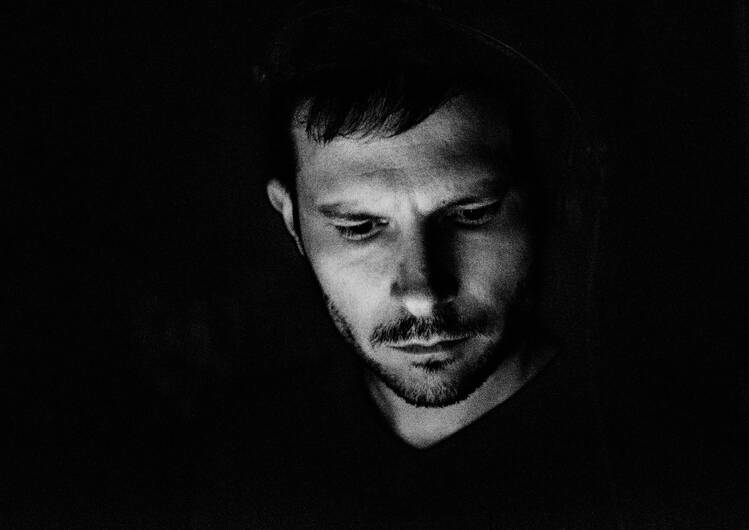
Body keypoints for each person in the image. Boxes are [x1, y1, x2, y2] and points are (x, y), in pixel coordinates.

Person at [202, 1, 614, 527]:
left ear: (544, 204)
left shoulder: (665, 474)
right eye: (360, 227)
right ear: (292, 222)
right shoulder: (236, 467)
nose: (422, 293)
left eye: (471, 214)